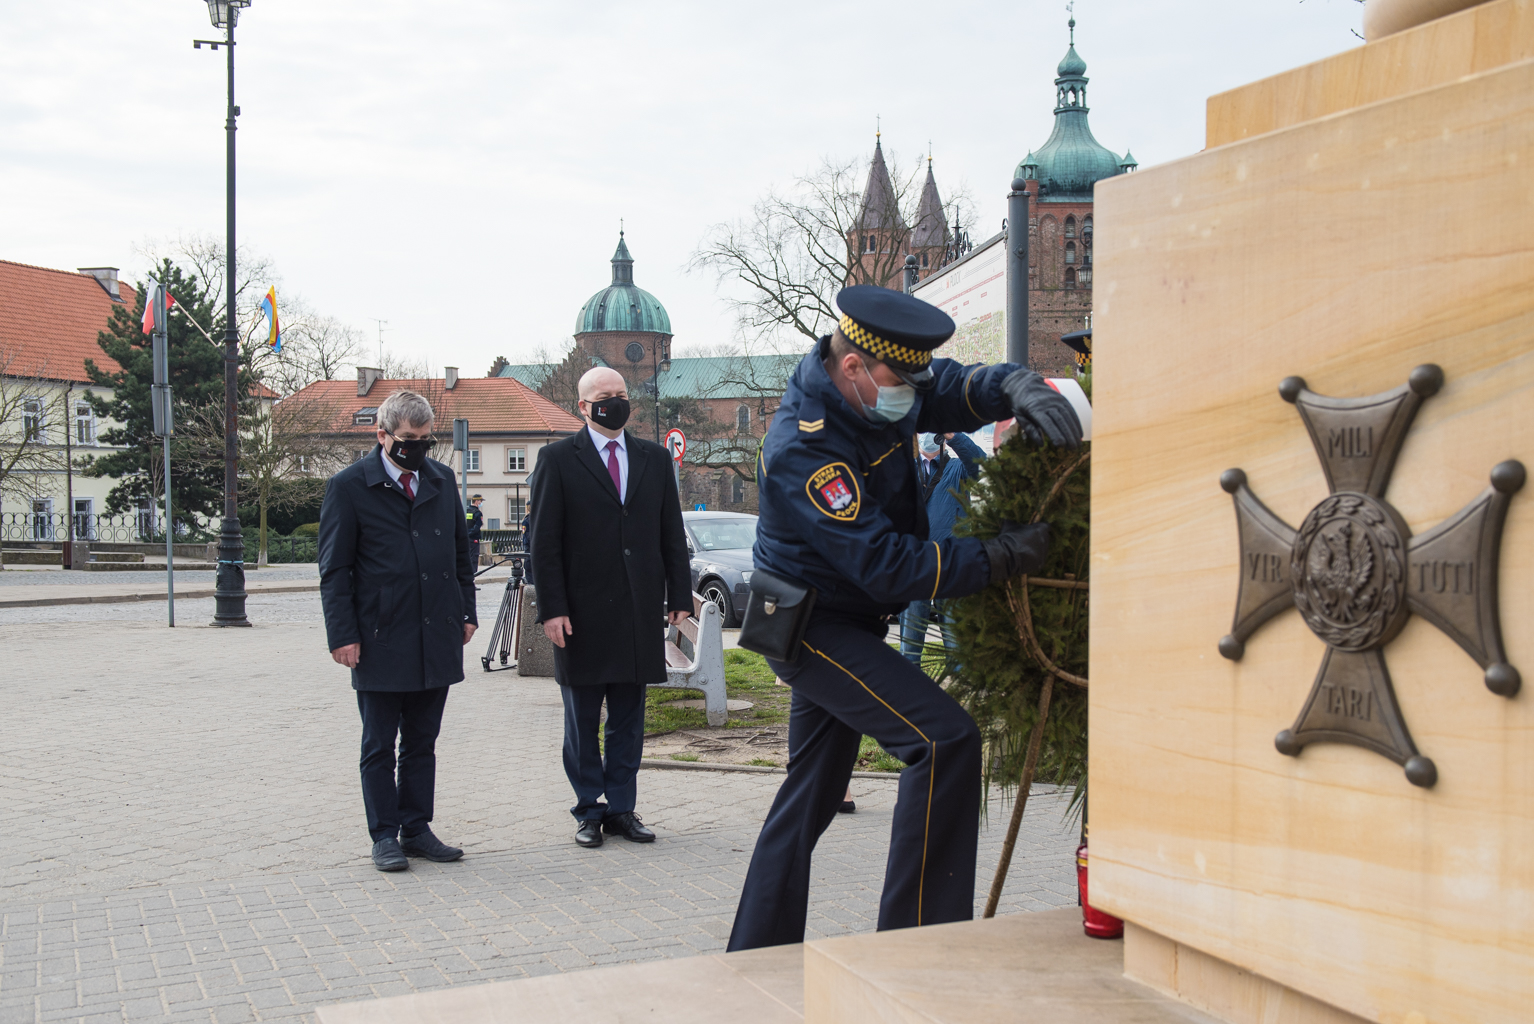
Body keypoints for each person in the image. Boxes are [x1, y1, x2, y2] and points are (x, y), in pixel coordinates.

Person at [726, 285, 1081, 951]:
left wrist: (1018, 388)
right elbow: (888, 566)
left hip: (849, 615)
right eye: (900, 378)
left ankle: (754, 956)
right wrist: (999, 556)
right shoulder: (804, 446)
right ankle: (915, 949)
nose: (912, 394)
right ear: (854, 365)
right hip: (810, 626)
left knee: (811, 794)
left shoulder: (878, 387)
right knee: (944, 741)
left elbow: (952, 386)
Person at [530, 367, 692, 849]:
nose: (615, 403)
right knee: (581, 720)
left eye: (621, 395)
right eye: (604, 397)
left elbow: (670, 533)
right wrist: (552, 608)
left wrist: (679, 597)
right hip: (579, 614)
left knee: (627, 717)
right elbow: (544, 543)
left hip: (637, 611)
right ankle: (588, 809)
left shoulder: (655, 459)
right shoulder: (557, 459)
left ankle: (622, 808)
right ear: (583, 406)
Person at [318, 389, 479, 872]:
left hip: (437, 632)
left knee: (422, 742)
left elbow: (459, 556)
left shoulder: (440, 479)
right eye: (408, 439)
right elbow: (334, 569)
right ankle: (384, 834)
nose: (417, 447)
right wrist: (342, 635)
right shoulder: (348, 487)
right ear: (382, 434)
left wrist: (466, 612)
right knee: (379, 744)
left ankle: (417, 827)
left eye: (426, 439)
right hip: (379, 636)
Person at [899, 431, 987, 665]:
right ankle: (908, 698)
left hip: (951, 567)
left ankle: (955, 698)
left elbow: (981, 465)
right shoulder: (904, 468)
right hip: (914, 567)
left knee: (956, 646)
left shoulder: (958, 468)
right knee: (909, 648)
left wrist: (954, 435)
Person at [466, 494, 485, 568]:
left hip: (465, 538)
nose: (481, 503)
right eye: (480, 501)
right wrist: (470, 533)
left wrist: (466, 534)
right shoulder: (478, 513)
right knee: (474, 556)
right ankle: (472, 574)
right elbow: (477, 526)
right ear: (476, 501)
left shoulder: (466, 510)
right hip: (474, 538)